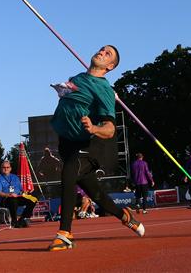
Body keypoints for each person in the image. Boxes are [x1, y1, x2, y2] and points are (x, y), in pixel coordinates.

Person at [47, 45, 145, 252]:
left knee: (69, 172)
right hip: (67, 142)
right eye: (102, 49)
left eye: (107, 54)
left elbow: (110, 129)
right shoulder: (77, 77)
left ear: (110, 66)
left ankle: (65, 233)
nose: (101, 52)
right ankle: (124, 215)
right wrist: (63, 91)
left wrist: (93, 127)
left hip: (90, 144)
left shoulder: (105, 90)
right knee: (97, 195)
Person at [0, 160, 36, 228]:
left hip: (17, 196)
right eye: (4, 167)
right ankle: (14, 221)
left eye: (8, 167)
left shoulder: (15, 177)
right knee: (13, 200)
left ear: (10, 168)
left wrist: (24, 192)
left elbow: (21, 189)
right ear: (1, 169)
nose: (6, 169)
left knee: (33, 200)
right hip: (6, 199)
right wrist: (9, 195)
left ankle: (22, 219)